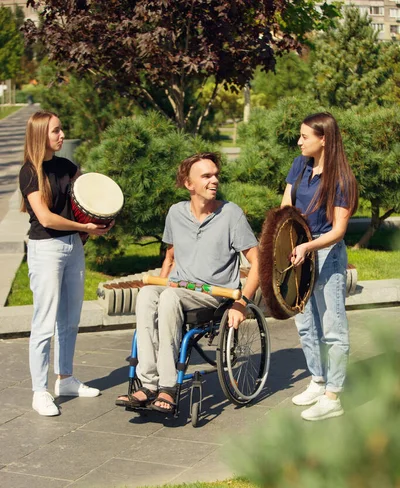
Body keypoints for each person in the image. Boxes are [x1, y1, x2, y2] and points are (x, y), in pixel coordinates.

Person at [118, 152, 259, 413]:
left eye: (216, 174)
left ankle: (169, 387)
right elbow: (170, 258)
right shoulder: (175, 213)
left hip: (213, 293)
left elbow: (257, 261)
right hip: (179, 288)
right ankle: (148, 383)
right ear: (189, 184)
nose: (214, 180)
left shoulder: (231, 214)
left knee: (170, 297)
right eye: (206, 176)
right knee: (149, 295)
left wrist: (241, 303)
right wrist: (159, 285)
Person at [19, 110, 113, 417]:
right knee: (44, 323)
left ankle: (65, 379)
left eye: (61, 130)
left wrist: (100, 217)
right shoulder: (30, 172)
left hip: (73, 246)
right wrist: (84, 228)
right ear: (40, 136)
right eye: (56, 131)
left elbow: (90, 194)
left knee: (71, 319)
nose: (62, 135)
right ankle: (39, 391)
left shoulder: (66, 166)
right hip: (45, 249)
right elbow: (45, 218)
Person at [281, 112, 358, 421]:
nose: (299, 142)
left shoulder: (341, 180)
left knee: (332, 327)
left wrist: (307, 246)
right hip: (299, 250)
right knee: (305, 322)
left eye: (305, 137)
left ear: (323, 139)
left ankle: (333, 396)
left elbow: (338, 231)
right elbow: (286, 204)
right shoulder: (301, 165)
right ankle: (318, 380)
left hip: (326, 253)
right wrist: (283, 241)